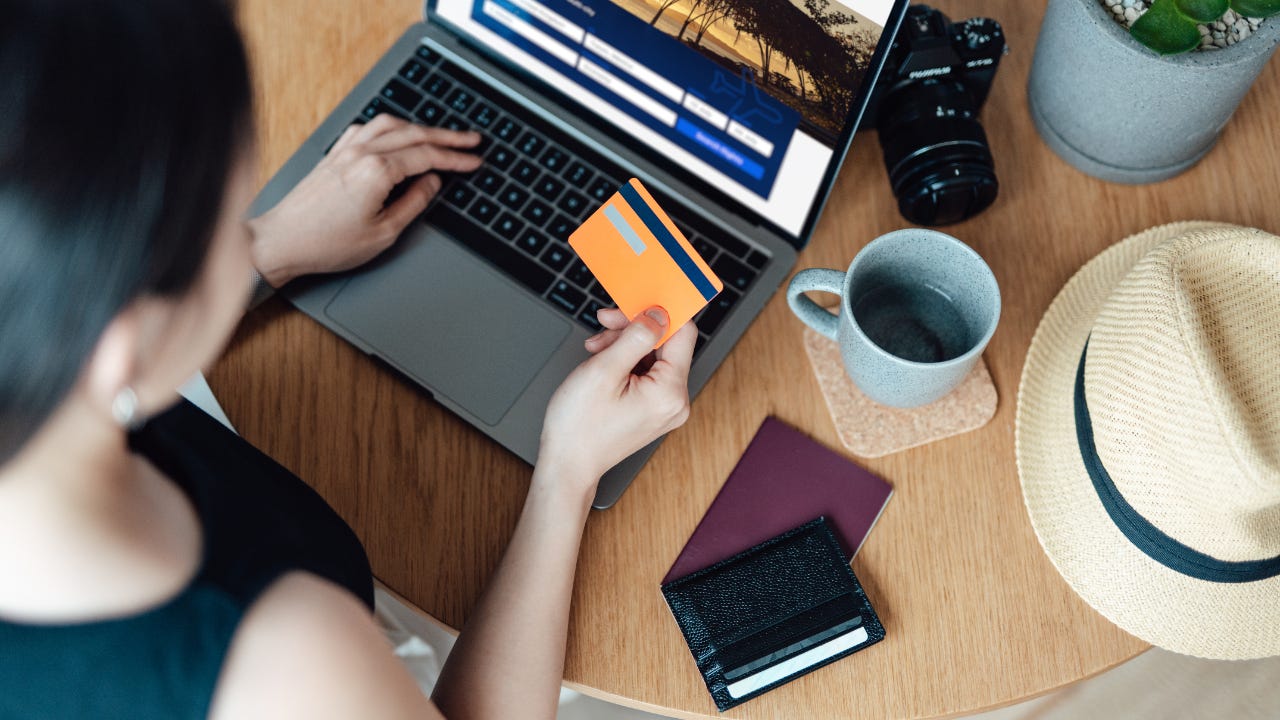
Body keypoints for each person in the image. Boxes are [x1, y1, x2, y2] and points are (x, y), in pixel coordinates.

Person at [0, 1, 696, 718]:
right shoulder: (285, 669)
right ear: (124, 346)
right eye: (222, 213)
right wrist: (569, 470)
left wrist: (274, 247)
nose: (243, 218)